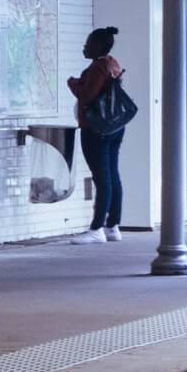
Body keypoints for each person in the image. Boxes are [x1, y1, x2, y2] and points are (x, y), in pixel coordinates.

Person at [67, 26, 125, 244]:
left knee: (102, 178)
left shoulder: (97, 68)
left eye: (88, 42)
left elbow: (87, 96)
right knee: (112, 175)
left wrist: (73, 84)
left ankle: (97, 228)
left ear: (99, 45)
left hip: (95, 129)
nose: (85, 46)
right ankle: (113, 226)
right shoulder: (113, 64)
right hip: (114, 127)